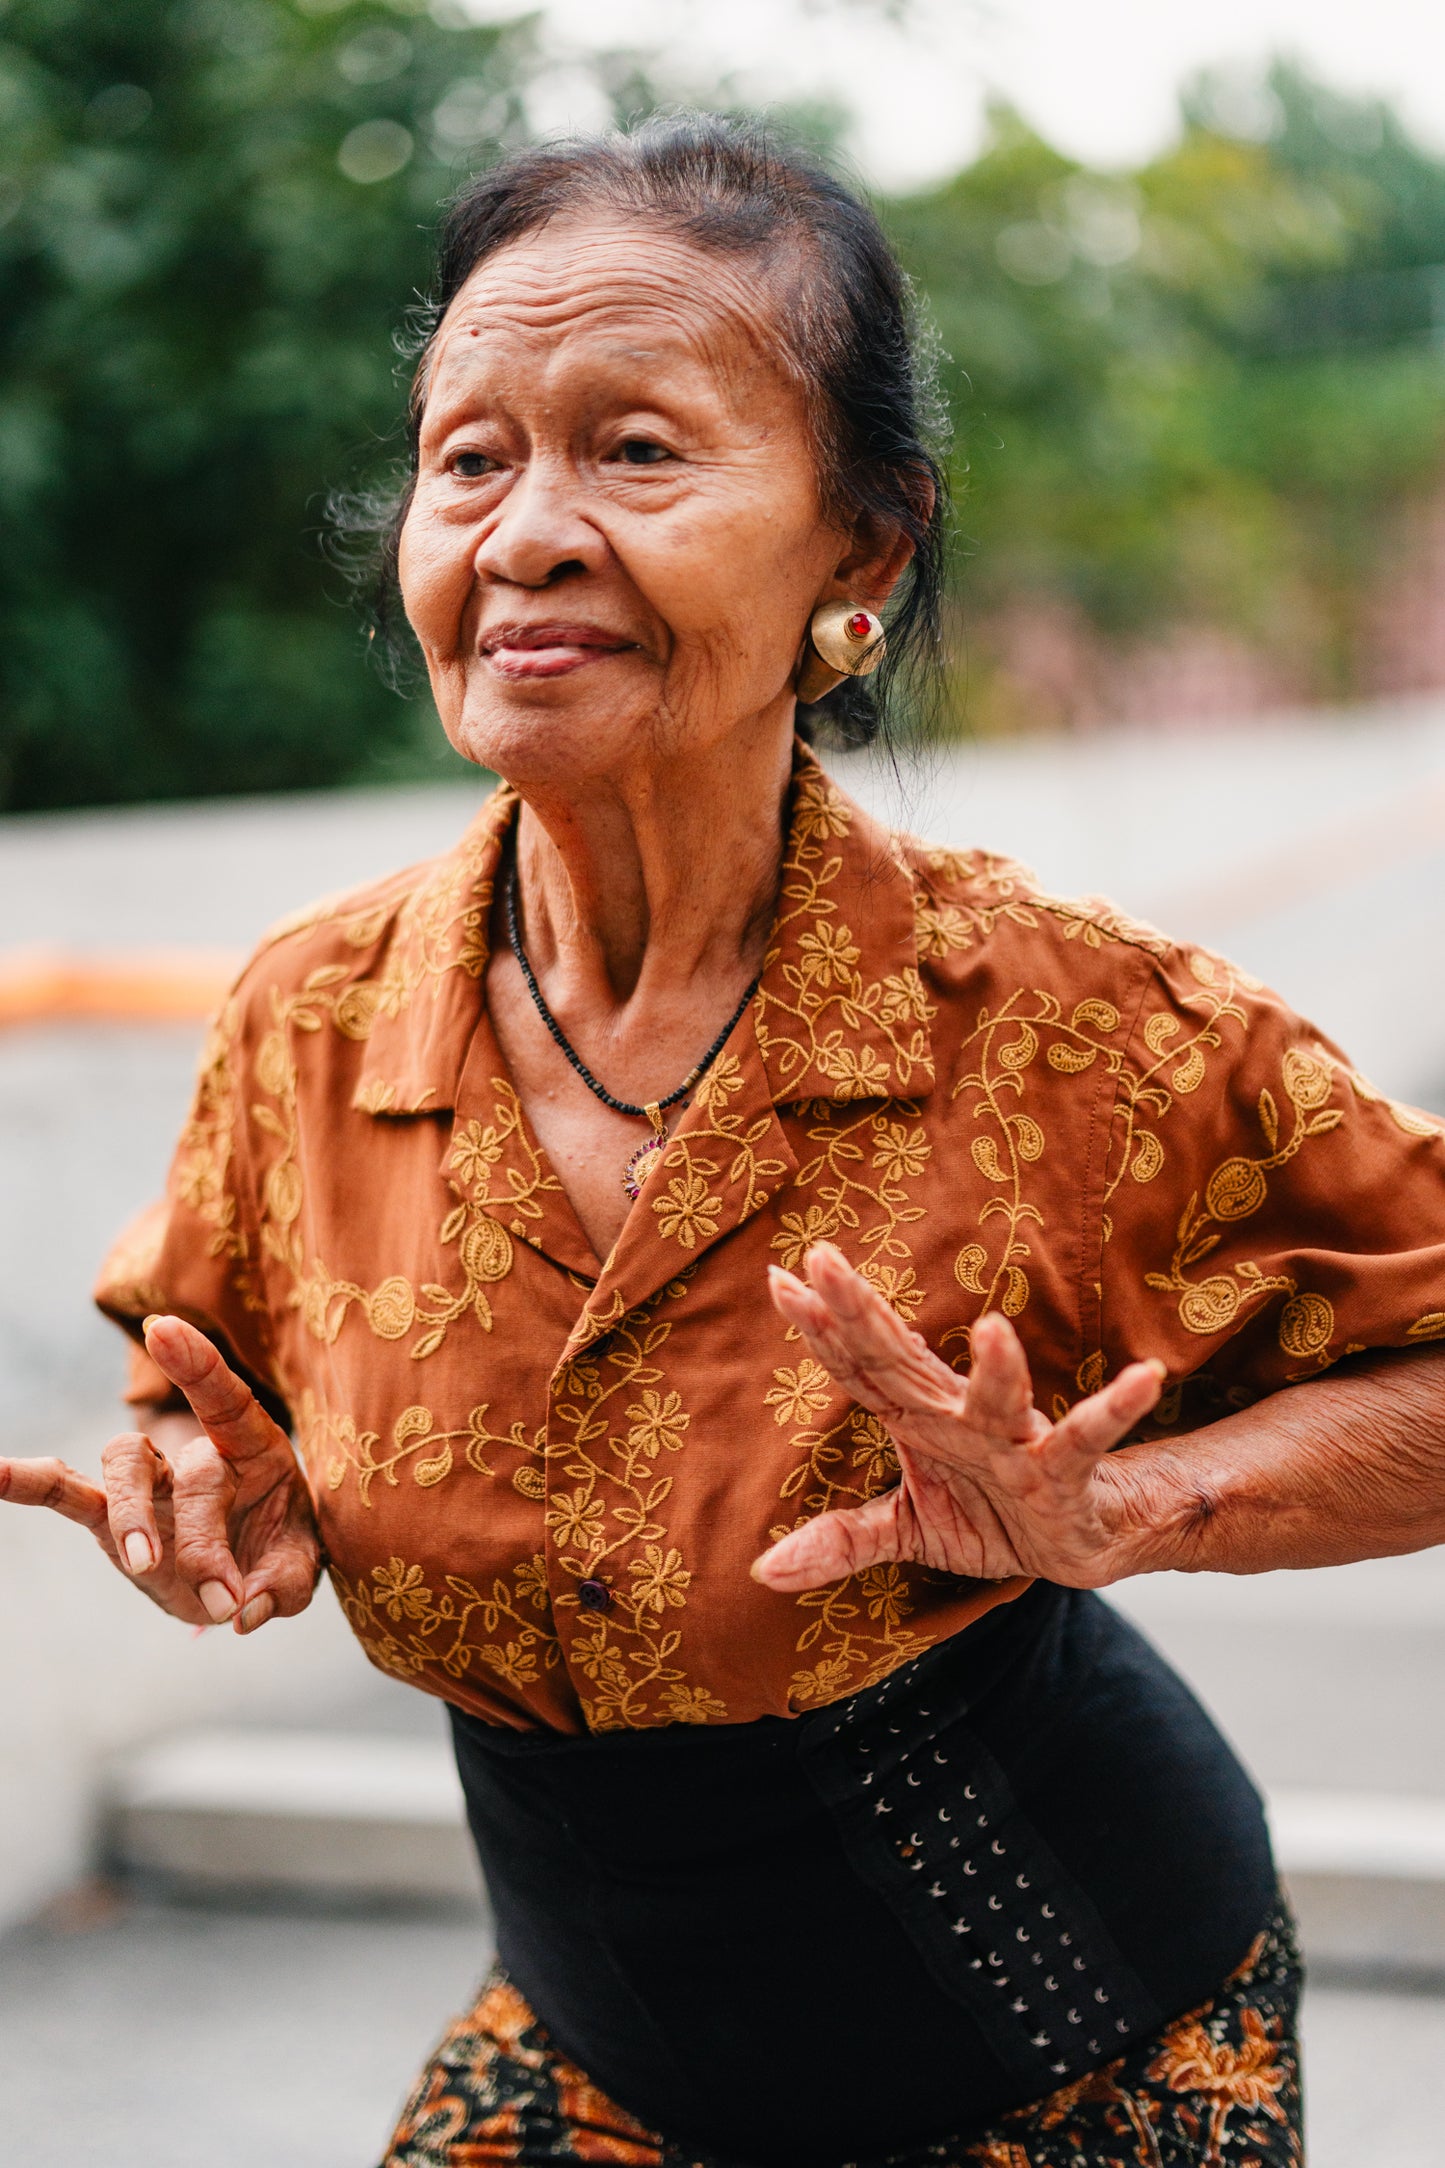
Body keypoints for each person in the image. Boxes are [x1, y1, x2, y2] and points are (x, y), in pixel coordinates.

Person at [6, 116, 1445, 2168]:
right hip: (602, 2066)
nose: (524, 533)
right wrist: (209, 1489)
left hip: (1081, 2051)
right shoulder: (310, 1023)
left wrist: (1139, 1506)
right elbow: (205, 1380)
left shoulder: (1067, 1028)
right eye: (470, 456)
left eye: (638, 450)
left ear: (859, 551)